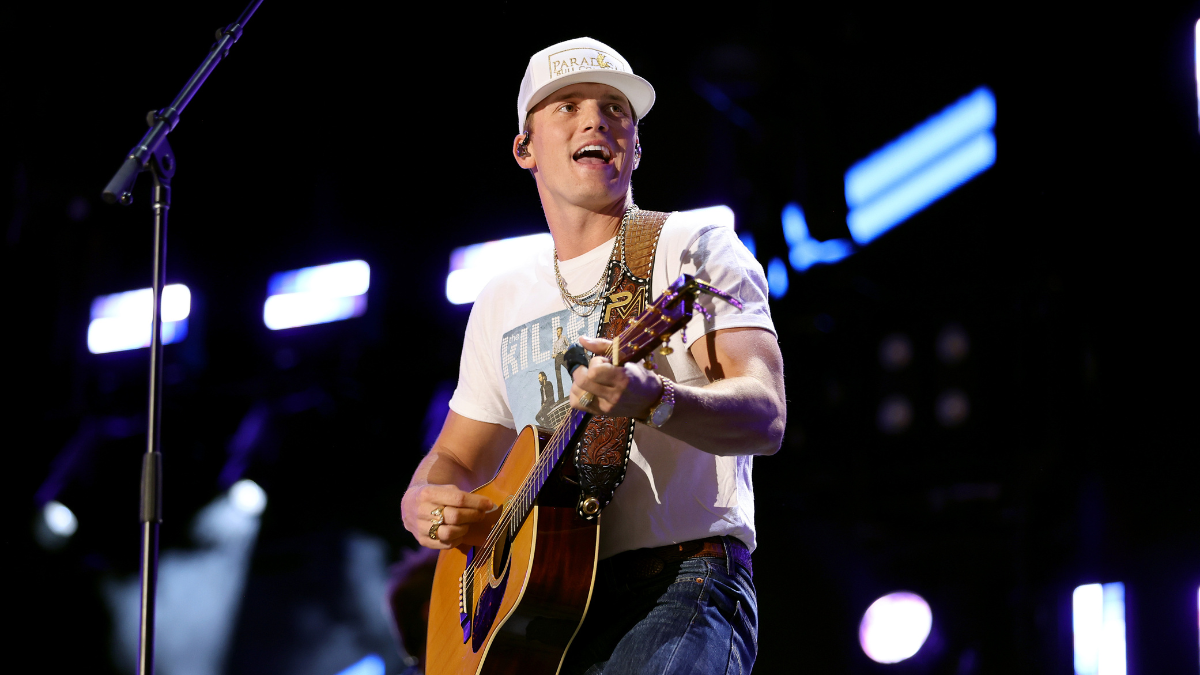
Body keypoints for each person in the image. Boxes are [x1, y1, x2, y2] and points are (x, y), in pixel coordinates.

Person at [400, 37, 786, 674]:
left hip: (679, 584)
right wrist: (427, 501)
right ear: (525, 148)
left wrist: (654, 397)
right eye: (567, 105)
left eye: (615, 108)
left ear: (635, 144)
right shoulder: (500, 298)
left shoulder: (691, 247)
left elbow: (764, 418)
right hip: (537, 606)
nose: (596, 119)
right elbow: (452, 459)